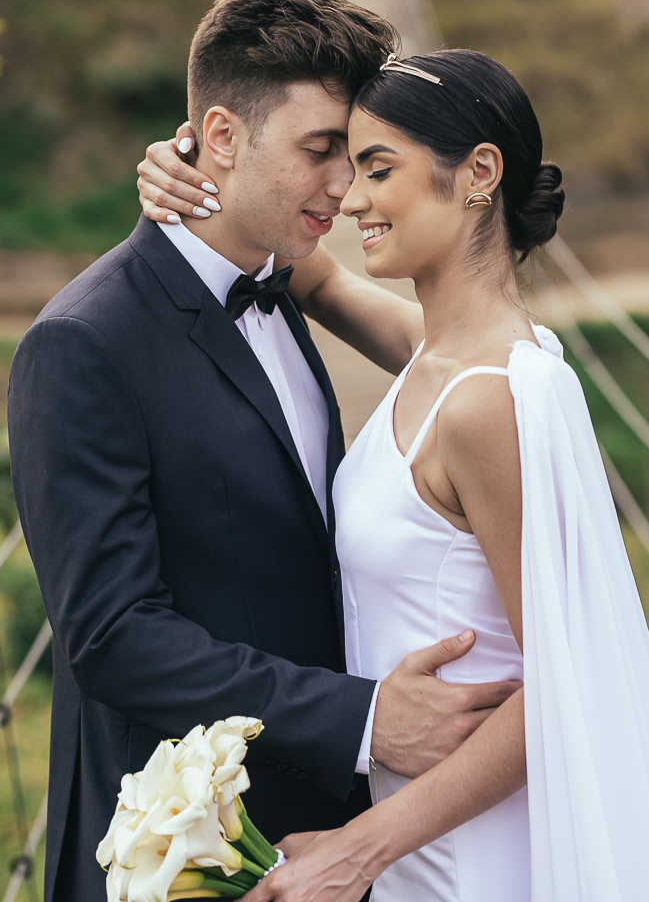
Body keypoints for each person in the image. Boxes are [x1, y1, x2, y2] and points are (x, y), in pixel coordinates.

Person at [7, 0, 518, 902]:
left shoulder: (284, 281)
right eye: (321, 151)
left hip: (331, 837)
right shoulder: (81, 344)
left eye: (363, 160)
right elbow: (113, 635)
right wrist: (364, 720)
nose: (345, 187)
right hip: (181, 856)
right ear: (222, 134)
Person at [141, 47, 649, 901]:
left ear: (479, 172)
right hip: (416, 824)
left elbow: (562, 685)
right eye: (341, 167)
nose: (350, 198)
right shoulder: (436, 355)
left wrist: (359, 849)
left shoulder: (486, 400)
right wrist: (189, 167)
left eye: (378, 169)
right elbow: (316, 276)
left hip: (471, 842)